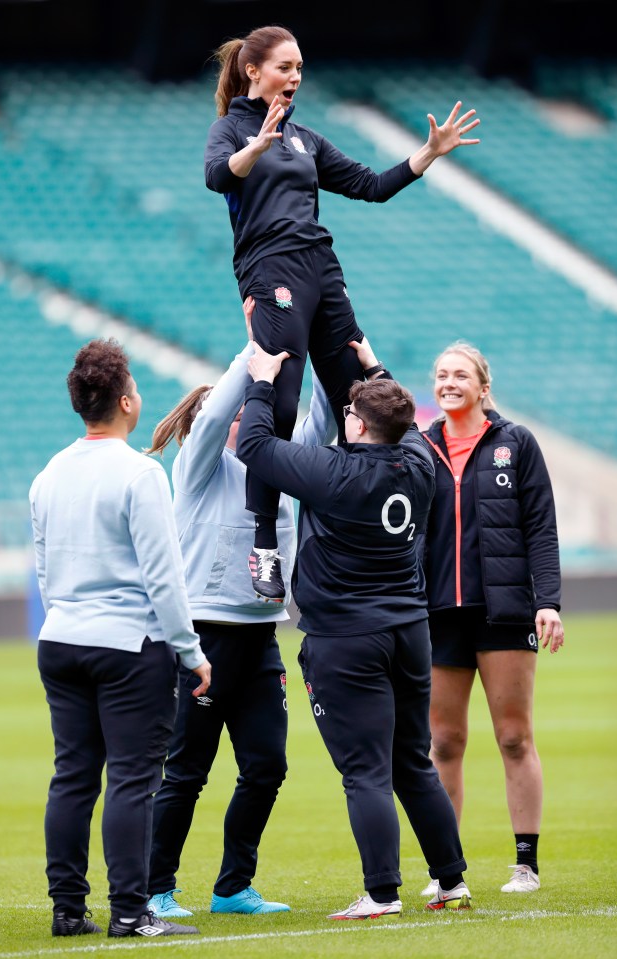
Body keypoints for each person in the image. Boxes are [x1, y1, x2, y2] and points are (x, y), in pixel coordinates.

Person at [205, 24, 481, 602]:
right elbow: (214, 176)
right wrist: (252, 150)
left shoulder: (305, 138)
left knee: (363, 402)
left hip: (321, 269)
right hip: (271, 269)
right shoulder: (230, 129)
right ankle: (265, 547)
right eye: (285, 66)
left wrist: (427, 153)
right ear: (254, 71)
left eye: (301, 66)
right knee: (277, 405)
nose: (296, 76)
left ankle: (369, 534)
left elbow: (371, 185)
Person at [235, 336, 472, 918]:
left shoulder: (332, 472)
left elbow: (257, 446)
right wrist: (373, 367)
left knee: (364, 770)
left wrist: (264, 382)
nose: (344, 418)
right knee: (411, 761)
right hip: (410, 632)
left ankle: (382, 893)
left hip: (347, 638)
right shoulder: (420, 462)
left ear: (362, 429)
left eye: (350, 414)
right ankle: (451, 882)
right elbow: (406, 422)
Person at [145, 297, 337, 917]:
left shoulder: (281, 470)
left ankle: (232, 887)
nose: (246, 418)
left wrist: (326, 340)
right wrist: (255, 351)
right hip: (201, 639)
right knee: (186, 773)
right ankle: (156, 887)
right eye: (237, 413)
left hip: (259, 641)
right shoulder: (199, 472)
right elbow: (220, 413)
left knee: (267, 765)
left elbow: (324, 418)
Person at [29, 338, 211, 940]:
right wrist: (190, 650)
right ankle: (131, 913)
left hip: (61, 638)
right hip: (129, 643)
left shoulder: (49, 473)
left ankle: (67, 909)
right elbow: (164, 575)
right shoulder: (140, 473)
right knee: (133, 779)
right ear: (127, 400)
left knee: (73, 776)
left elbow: (45, 568)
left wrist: (68, 616)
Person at [420, 341, 564, 897]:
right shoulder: (419, 445)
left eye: (460, 375)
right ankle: (446, 873)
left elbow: (541, 527)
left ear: (483, 387)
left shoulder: (515, 443)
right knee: (445, 741)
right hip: (438, 614)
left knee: (512, 736)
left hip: (504, 612)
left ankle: (525, 863)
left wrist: (546, 599)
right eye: (440, 375)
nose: (448, 382)